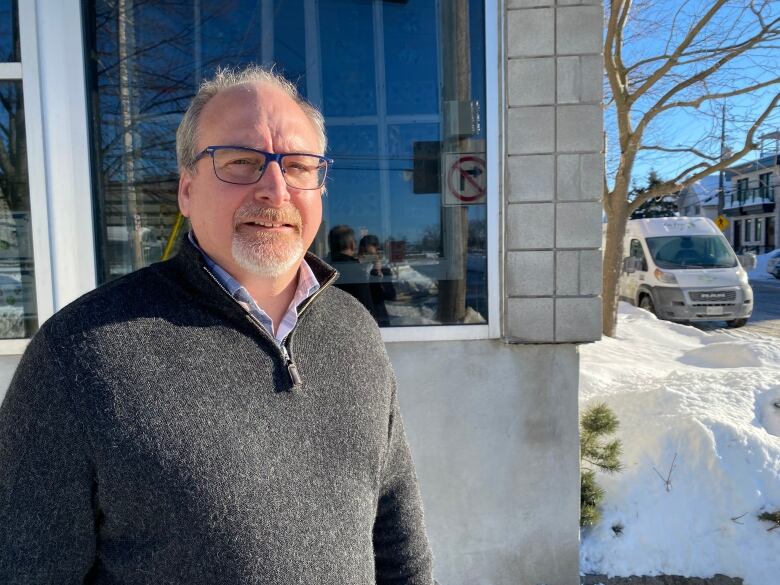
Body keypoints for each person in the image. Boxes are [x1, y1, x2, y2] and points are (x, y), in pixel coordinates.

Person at [0, 65, 433, 585]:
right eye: (242, 162)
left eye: (298, 166)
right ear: (186, 190)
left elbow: (396, 538)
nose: (276, 189)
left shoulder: (353, 331)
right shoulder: (80, 354)